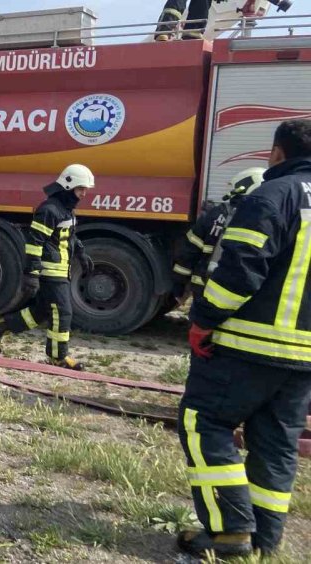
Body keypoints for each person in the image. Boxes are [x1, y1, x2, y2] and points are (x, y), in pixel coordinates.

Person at [176, 119, 311, 559]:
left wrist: (204, 317)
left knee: (205, 422)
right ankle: (264, 539)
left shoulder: (274, 195)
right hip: (304, 358)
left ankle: (230, 529)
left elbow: (240, 269)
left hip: (247, 345)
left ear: (277, 153)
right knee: (276, 443)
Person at [0, 165, 96, 371]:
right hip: (51, 271)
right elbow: (34, 242)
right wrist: (32, 273)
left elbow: (69, 237)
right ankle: (58, 357)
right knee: (63, 313)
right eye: (81, 188)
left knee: (41, 312)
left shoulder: (66, 210)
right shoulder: (49, 210)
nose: (84, 193)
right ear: (68, 185)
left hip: (62, 270)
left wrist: (81, 253)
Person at [171, 167, 266, 303]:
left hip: (205, 286)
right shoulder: (263, 219)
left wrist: (179, 285)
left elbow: (188, 251)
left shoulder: (216, 214)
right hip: (241, 293)